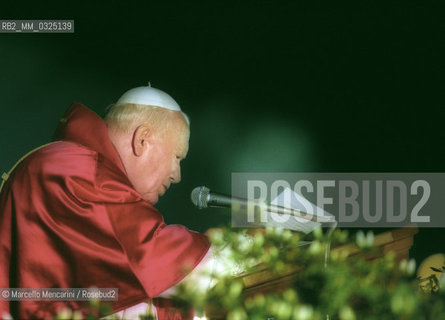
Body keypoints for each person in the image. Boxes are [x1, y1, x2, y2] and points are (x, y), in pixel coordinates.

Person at [0, 85, 212, 320]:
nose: (177, 175)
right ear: (142, 139)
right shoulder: (72, 167)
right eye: (176, 157)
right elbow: (146, 256)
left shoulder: (70, 163)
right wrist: (242, 249)